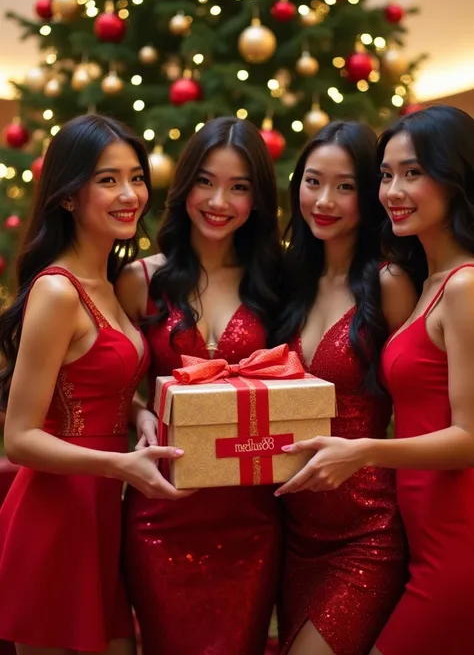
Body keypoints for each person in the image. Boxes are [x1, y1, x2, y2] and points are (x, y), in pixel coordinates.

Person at [278, 105, 474, 655]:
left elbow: (472, 436)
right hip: (417, 532)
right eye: (386, 175)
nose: (393, 189)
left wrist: (362, 451)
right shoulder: (431, 279)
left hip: (454, 539)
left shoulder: (462, 286)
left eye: (413, 172)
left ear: (455, 176)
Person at [0, 114, 184, 655]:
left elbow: (90, 382)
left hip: (101, 512)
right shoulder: (57, 291)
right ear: (67, 197)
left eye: (136, 177)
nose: (129, 194)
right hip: (57, 516)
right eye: (107, 180)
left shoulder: (108, 281)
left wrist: (138, 414)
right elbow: (20, 438)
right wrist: (118, 464)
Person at [116, 116, 283, 655]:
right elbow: (117, 382)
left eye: (239, 187)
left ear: (257, 200)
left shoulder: (275, 285)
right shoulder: (141, 279)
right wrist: (139, 412)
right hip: (161, 508)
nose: (220, 200)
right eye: (207, 182)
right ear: (185, 185)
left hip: (253, 516)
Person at [272, 121, 418, 655]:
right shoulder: (288, 280)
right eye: (313, 182)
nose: (324, 201)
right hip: (292, 529)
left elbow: (420, 402)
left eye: (346, 186)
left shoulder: (390, 283)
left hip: (366, 530)